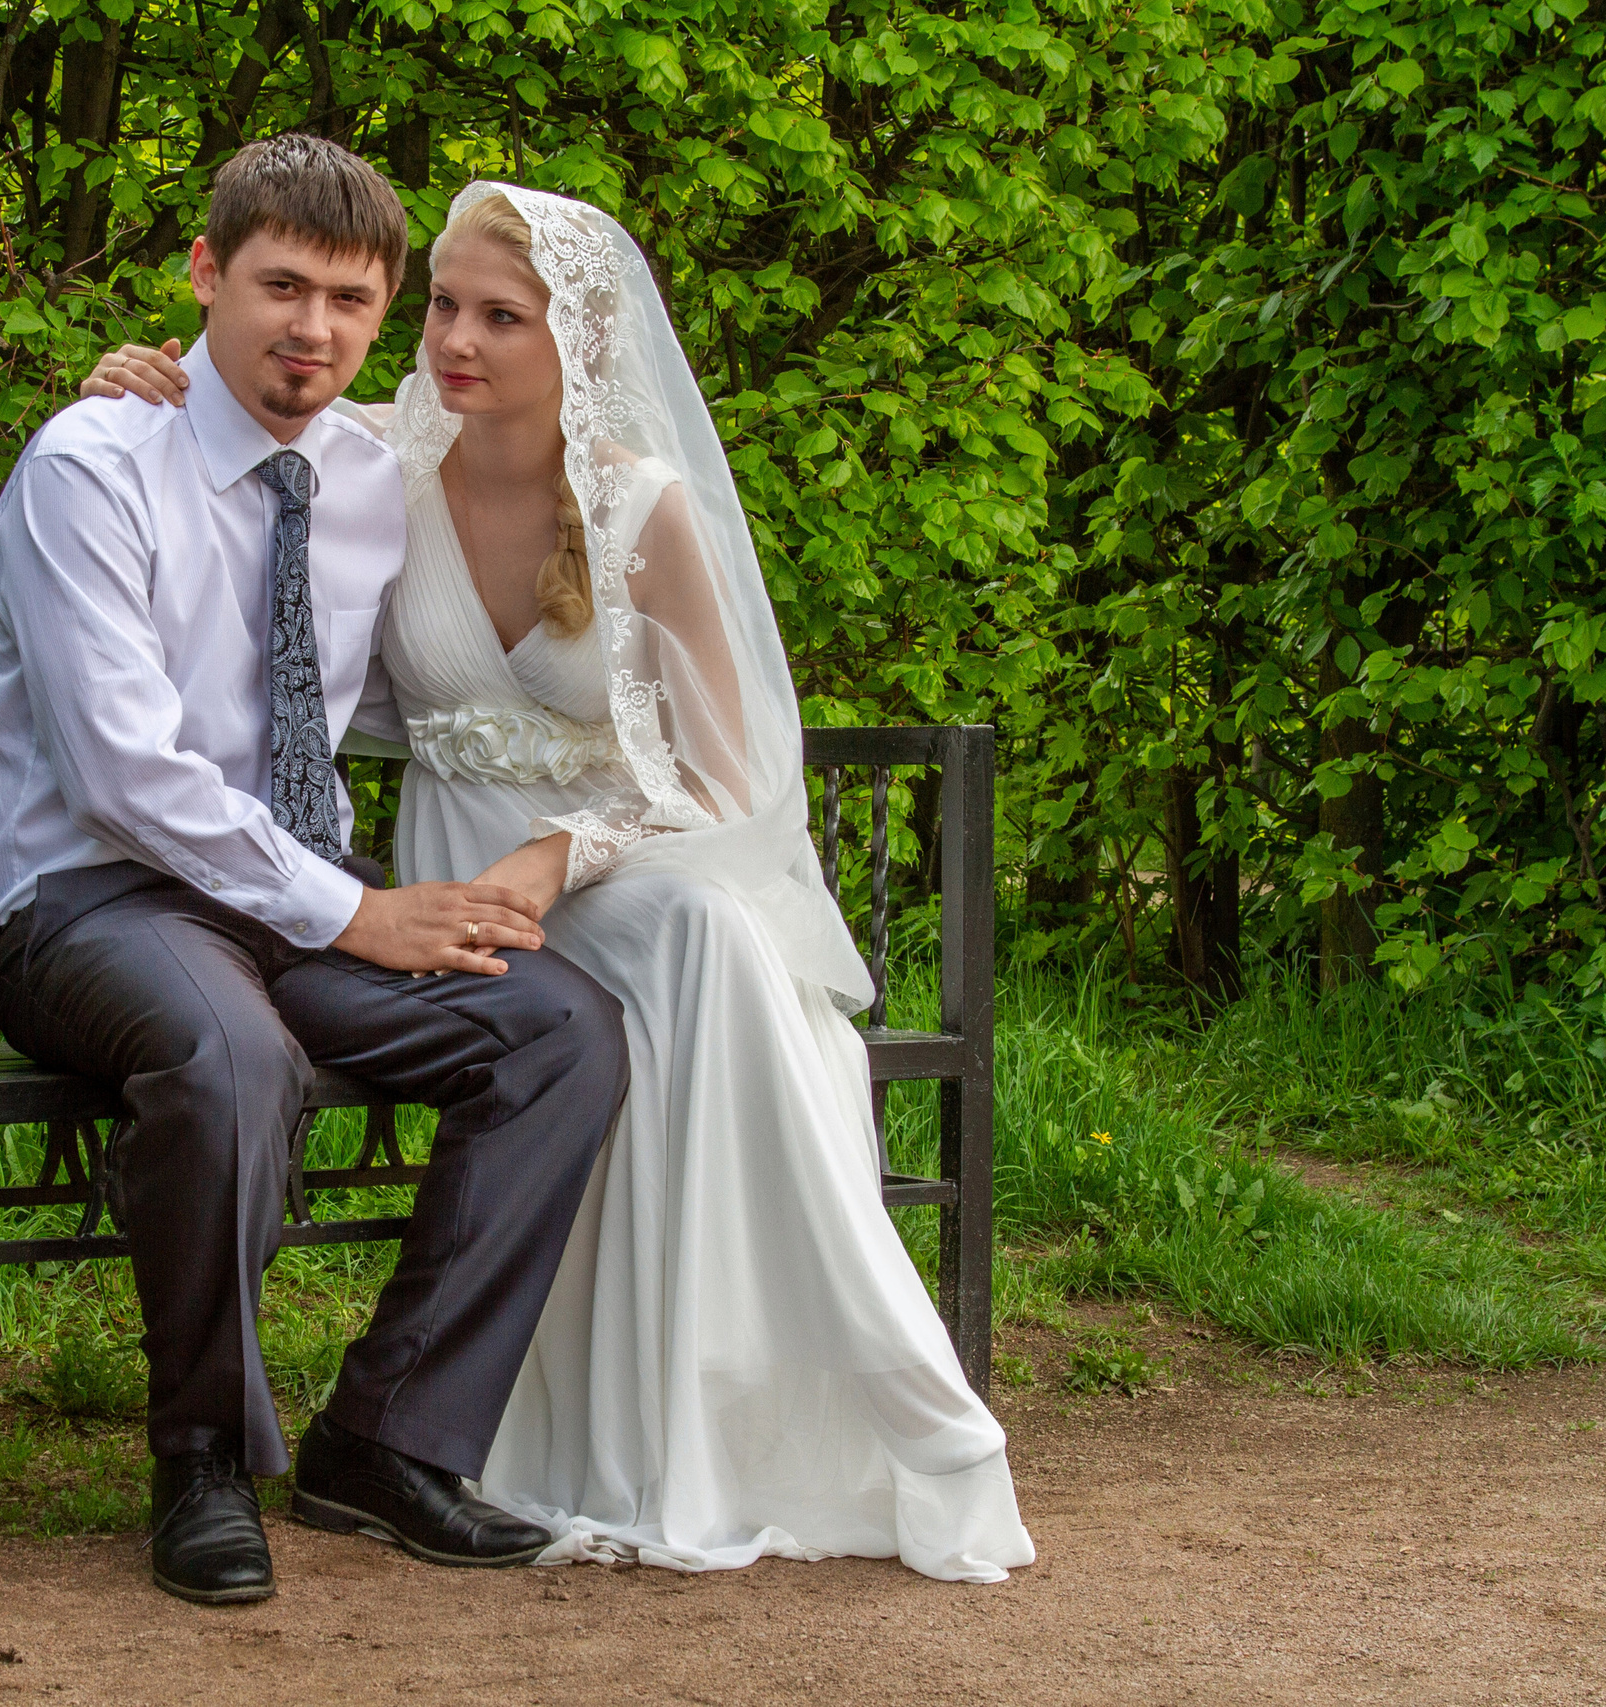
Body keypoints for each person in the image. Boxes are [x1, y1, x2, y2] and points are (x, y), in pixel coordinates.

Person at [81, 182, 1035, 1581]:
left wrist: (560, 851)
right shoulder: (374, 468)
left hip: (618, 854)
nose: (451, 342)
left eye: (499, 318)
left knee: (706, 930)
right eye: (446, 309)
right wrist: (132, 378)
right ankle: (525, 1427)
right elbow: (228, 426)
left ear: (575, 341)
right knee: (597, 1002)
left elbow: (731, 778)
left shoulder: (642, 509)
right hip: (445, 876)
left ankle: (737, 1408)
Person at [0, 138, 632, 1608]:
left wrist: (608, 780)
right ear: (205, 278)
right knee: (231, 1058)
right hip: (94, 902)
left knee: (559, 1030)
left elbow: (435, 674)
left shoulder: (368, 478)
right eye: (279, 286)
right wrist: (361, 912)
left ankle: (385, 1443)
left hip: (288, 904)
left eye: (349, 298)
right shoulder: (94, 464)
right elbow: (123, 774)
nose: (313, 330)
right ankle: (201, 1459)